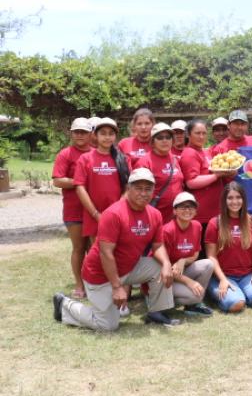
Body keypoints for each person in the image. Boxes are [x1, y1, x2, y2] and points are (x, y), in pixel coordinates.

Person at [53, 168, 178, 330]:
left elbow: (158, 245)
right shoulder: (113, 214)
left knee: (160, 266)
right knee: (107, 325)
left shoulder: (154, 214)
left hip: (128, 268)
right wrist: (117, 287)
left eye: (148, 189)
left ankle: (157, 313)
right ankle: (65, 304)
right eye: (138, 188)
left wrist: (167, 263)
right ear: (128, 189)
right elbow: (106, 253)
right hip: (100, 275)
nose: (144, 193)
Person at [205, 182, 252, 312]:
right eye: (230, 198)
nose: (234, 201)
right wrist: (223, 279)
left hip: (247, 275)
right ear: (224, 200)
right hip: (223, 276)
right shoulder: (215, 223)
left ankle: (244, 293)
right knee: (236, 305)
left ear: (243, 200)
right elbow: (211, 256)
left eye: (238, 197)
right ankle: (222, 295)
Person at [52, 117, 94, 298]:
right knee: (78, 248)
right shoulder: (65, 154)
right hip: (74, 209)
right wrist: (80, 182)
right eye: (76, 131)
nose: (80, 135)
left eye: (83, 132)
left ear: (91, 134)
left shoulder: (96, 152)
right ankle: (79, 285)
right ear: (71, 133)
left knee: (94, 249)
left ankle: (94, 284)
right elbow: (57, 180)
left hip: (94, 209)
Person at [74, 118, 130, 240]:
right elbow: (79, 187)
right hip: (94, 215)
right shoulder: (85, 159)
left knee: (118, 252)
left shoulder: (123, 159)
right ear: (95, 135)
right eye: (103, 133)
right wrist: (96, 214)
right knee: (97, 252)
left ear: (115, 136)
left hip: (118, 214)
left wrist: (116, 211)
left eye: (111, 133)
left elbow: (128, 187)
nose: (107, 137)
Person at [161, 192, 214, 316]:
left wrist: (183, 260)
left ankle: (192, 305)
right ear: (175, 211)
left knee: (208, 264)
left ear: (196, 211)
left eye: (191, 207)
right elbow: (164, 267)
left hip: (180, 272)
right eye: (183, 207)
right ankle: (162, 302)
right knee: (197, 295)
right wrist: (189, 282)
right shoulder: (167, 230)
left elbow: (195, 255)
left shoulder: (197, 226)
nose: (187, 210)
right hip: (164, 277)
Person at [179, 120, 228, 233]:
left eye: (204, 133)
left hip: (213, 213)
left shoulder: (204, 152)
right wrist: (216, 176)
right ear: (188, 134)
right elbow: (191, 182)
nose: (201, 136)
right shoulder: (190, 153)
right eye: (197, 133)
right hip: (202, 215)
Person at [136, 123, 185, 223]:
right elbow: (138, 193)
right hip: (154, 217)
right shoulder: (145, 162)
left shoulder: (175, 159)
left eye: (168, 137)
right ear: (152, 142)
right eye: (160, 137)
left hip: (176, 218)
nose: (165, 140)